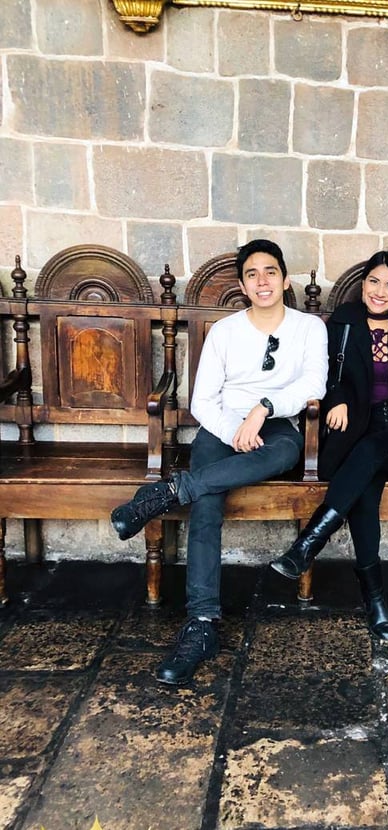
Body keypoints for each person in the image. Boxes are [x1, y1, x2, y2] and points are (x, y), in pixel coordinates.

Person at [110, 239, 328, 684]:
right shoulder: (225, 332)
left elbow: (314, 385)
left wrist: (263, 408)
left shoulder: (309, 328)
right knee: (207, 503)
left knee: (285, 450)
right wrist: (235, 432)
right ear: (243, 286)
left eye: (270, 272)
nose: (262, 281)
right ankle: (202, 624)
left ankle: (169, 492)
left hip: (276, 426)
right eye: (252, 274)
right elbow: (202, 401)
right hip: (222, 426)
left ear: (285, 280)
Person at [270, 250, 388, 640]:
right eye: (374, 281)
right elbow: (321, 371)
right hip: (357, 430)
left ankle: (308, 543)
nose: (380, 291)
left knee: (369, 456)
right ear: (362, 283)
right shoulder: (344, 321)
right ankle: (375, 602)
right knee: (365, 489)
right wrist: (336, 397)